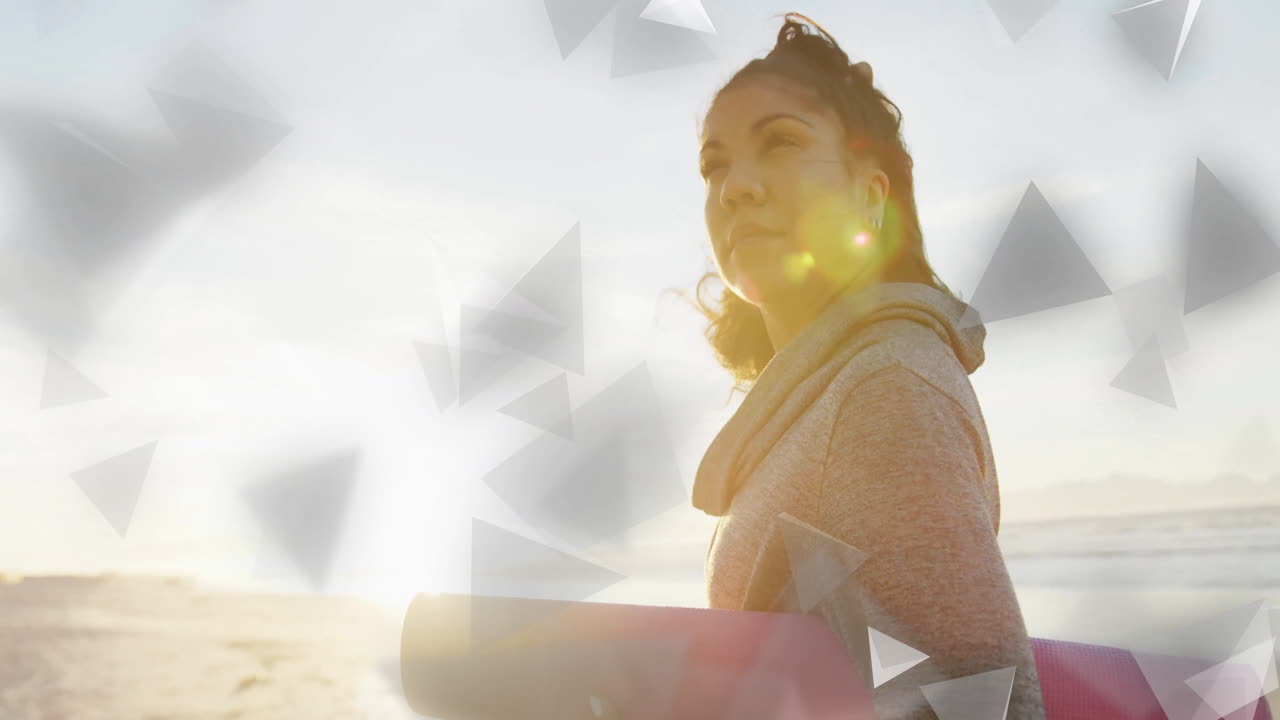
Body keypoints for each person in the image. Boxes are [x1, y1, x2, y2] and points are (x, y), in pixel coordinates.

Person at [684, 12, 1047, 719]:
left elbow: (981, 704)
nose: (735, 186)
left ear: (871, 196)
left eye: (781, 142)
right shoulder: (817, 402)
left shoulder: (883, 391)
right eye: (714, 163)